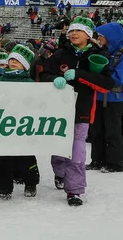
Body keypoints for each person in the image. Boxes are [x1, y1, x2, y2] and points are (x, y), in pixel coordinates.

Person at [41, 17, 115, 206]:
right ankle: (60, 173)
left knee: (77, 151)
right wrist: (53, 79)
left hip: (81, 110)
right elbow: (43, 74)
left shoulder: (99, 55)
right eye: (71, 30)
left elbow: (107, 84)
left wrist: (80, 75)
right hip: (57, 111)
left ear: (88, 35)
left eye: (79, 31)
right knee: (58, 149)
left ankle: (74, 190)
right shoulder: (60, 54)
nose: (73, 33)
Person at [0, 45, 39, 201]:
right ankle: (3, 188)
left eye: (17, 61)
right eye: (11, 59)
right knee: (2, 159)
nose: (13, 62)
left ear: (25, 65)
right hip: (2, 126)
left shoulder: (30, 83)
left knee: (26, 158)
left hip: (23, 127)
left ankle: (30, 183)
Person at [88, 22, 123, 173]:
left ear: (110, 37)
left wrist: (102, 79)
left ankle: (115, 163)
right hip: (98, 97)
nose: (99, 39)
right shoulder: (104, 52)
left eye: (101, 36)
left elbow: (120, 77)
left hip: (113, 98)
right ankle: (97, 160)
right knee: (97, 131)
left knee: (112, 132)